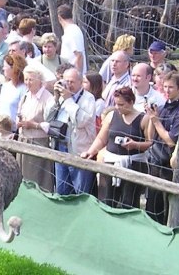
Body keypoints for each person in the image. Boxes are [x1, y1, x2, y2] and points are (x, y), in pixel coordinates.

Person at [81, 87, 150, 209]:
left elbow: (150, 143)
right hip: (110, 163)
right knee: (106, 200)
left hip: (133, 165)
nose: (118, 107)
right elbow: (101, 139)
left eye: (121, 104)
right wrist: (90, 152)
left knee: (128, 202)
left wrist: (135, 145)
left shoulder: (144, 119)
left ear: (131, 102)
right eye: (116, 104)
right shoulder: (111, 115)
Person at [43, 67, 96, 195]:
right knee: (61, 190)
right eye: (66, 81)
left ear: (80, 82)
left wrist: (68, 100)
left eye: (72, 82)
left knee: (80, 192)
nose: (68, 85)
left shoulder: (88, 98)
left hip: (79, 151)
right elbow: (47, 118)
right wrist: (56, 99)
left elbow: (81, 121)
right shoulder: (60, 97)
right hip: (60, 147)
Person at [143, 71, 179, 225]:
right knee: (152, 202)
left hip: (169, 164)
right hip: (155, 160)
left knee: (167, 204)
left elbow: (170, 141)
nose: (167, 90)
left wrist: (155, 120)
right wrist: (150, 116)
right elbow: (151, 137)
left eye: (171, 87)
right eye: (165, 87)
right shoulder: (163, 108)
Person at [15, 66, 55, 192]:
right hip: (23, 141)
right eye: (26, 79)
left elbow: (51, 125)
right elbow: (19, 113)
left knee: (36, 180)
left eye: (31, 80)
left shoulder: (48, 98)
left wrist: (34, 125)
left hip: (38, 143)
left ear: (39, 81)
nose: (27, 83)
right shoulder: (26, 96)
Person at [0, 53, 27, 128]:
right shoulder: (5, 86)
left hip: (13, 131)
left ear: (13, 68)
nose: (3, 69)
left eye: (5, 66)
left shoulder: (24, 89)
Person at [57, 4, 87, 74]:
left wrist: (78, 75)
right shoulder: (70, 30)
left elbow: (79, 55)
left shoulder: (72, 31)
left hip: (74, 76)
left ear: (59, 18)